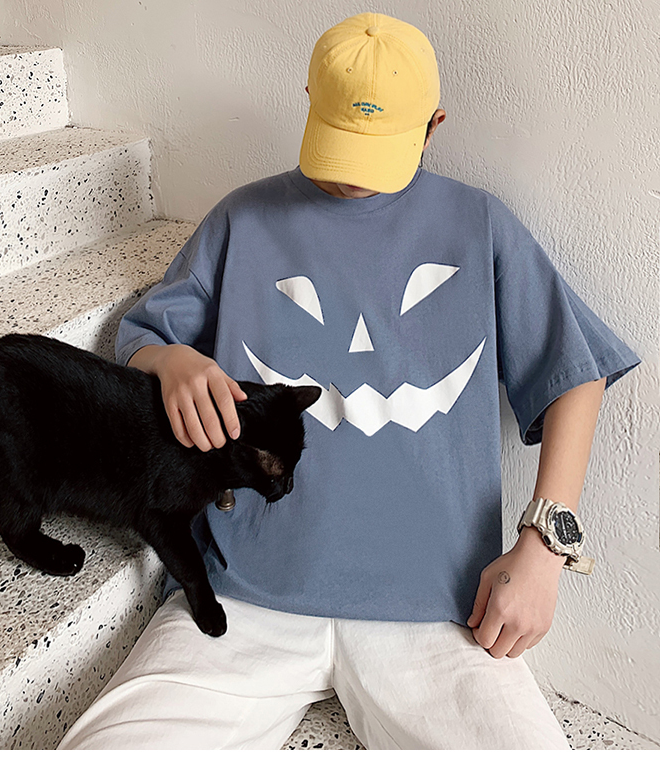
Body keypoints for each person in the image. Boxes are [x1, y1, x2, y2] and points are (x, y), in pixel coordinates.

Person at [59, 12, 640, 750]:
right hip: (243, 595)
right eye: (338, 140)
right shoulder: (244, 218)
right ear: (309, 100)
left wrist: (544, 546)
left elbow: (574, 374)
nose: (351, 175)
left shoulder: (479, 225)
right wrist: (169, 361)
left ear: (433, 126)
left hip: (439, 611)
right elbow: (144, 336)